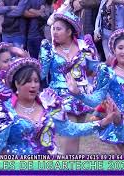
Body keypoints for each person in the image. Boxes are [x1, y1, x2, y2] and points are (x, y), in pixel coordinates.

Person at [0, 57, 110, 154]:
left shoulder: (49, 103)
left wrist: (101, 123)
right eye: (27, 81)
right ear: (16, 84)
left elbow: (70, 129)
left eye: (36, 81)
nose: (33, 85)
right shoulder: (5, 109)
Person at [66, 28, 124, 156]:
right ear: (114, 50)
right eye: (120, 48)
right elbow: (96, 99)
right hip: (120, 122)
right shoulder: (107, 73)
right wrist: (78, 93)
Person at [39, 10, 99, 154]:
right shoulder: (49, 48)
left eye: (58, 29)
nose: (54, 32)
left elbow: (93, 70)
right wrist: (44, 57)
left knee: (75, 133)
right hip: (60, 96)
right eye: (53, 28)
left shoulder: (83, 46)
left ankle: (70, 168)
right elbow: (41, 74)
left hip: (81, 95)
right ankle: (68, 169)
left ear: (69, 31)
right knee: (71, 130)